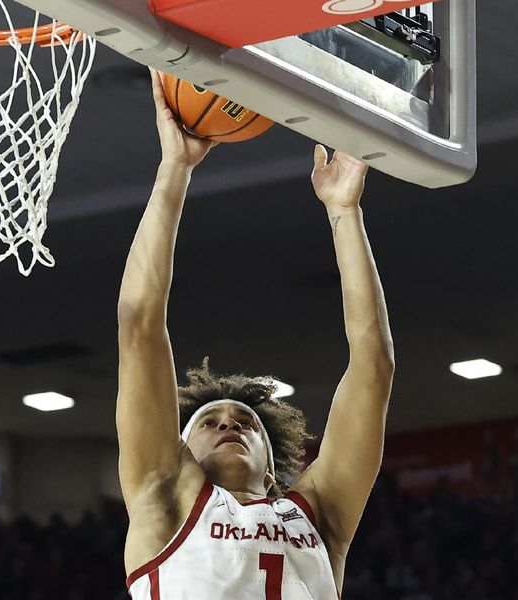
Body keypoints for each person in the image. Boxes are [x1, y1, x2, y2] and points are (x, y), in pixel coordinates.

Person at [116, 69, 395, 599]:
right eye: (212, 421)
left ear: (273, 471)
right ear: (178, 450)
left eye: (244, 421)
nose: (231, 424)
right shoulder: (164, 495)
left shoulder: (318, 516)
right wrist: (174, 169)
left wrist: (345, 212)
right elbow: (139, 324)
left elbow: (373, 367)